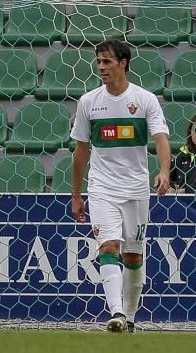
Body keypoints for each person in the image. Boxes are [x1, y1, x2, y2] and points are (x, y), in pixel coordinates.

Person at [70, 39, 171, 334]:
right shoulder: (89, 101)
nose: (101, 67)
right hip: (101, 187)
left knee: (133, 255)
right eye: (98, 61)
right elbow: (81, 151)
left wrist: (164, 171)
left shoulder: (145, 100)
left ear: (123, 63)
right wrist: (76, 194)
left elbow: (161, 139)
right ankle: (115, 312)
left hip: (136, 188)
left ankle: (129, 317)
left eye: (107, 62)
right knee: (109, 246)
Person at [170, 116, 196, 193]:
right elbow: (170, 176)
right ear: (190, 132)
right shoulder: (183, 154)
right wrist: (170, 188)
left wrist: (186, 191)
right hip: (181, 203)